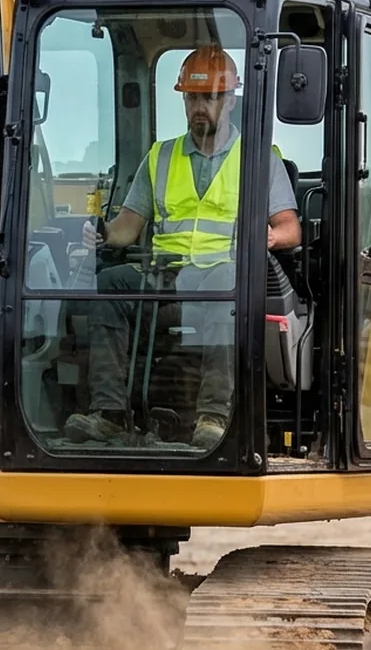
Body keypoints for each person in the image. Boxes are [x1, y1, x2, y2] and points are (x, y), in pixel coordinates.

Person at [64, 44, 301, 449]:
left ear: (229, 101)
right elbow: (128, 226)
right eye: (192, 97)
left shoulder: (258, 157)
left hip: (221, 275)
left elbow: (290, 229)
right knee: (110, 285)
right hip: (166, 278)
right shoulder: (161, 156)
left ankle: (213, 416)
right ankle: (109, 414)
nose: (199, 107)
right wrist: (103, 233)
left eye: (209, 97)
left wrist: (270, 237)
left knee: (227, 287)